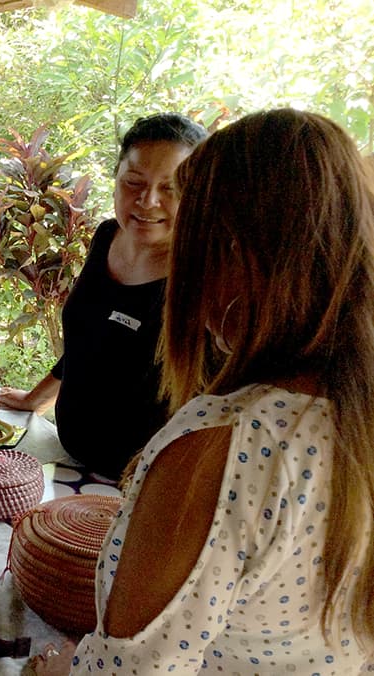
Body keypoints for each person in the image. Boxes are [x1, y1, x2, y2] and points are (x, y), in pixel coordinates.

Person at [34, 109, 374, 673]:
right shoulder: (347, 409)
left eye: (193, 233)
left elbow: (128, 669)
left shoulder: (225, 449)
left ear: (239, 254)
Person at [0, 113, 207, 481]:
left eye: (170, 188)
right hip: (69, 460)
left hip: (142, 482)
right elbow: (88, 338)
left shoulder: (203, 275)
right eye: (134, 183)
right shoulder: (108, 237)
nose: (148, 201)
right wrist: (36, 398)